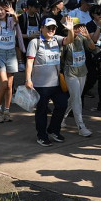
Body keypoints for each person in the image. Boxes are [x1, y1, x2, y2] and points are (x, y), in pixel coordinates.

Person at [25, 18, 69, 146]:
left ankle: (54, 130)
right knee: (42, 110)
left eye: (53, 28)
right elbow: (29, 62)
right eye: (48, 27)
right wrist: (28, 79)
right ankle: (42, 135)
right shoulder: (35, 42)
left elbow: (69, 40)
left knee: (62, 105)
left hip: (56, 83)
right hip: (40, 84)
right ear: (42, 28)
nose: (51, 30)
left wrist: (71, 30)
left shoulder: (57, 39)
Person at [0, 2, 25, 123]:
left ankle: (7, 110)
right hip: (0, 55)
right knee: (3, 83)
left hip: (12, 55)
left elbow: (16, 21)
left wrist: (14, 13)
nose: (0, 12)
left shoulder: (11, 21)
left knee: (9, 86)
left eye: (2, 10)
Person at [61, 21, 95, 137]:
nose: (77, 29)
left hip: (82, 72)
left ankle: (61, 117)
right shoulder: (65, 40)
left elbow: (92, 47)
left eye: (78, 27)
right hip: (70, 73)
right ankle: (81, 126)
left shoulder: (82, 38)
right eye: (74, 27)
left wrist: (88, 37)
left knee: (75, 98)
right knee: (77, 99)